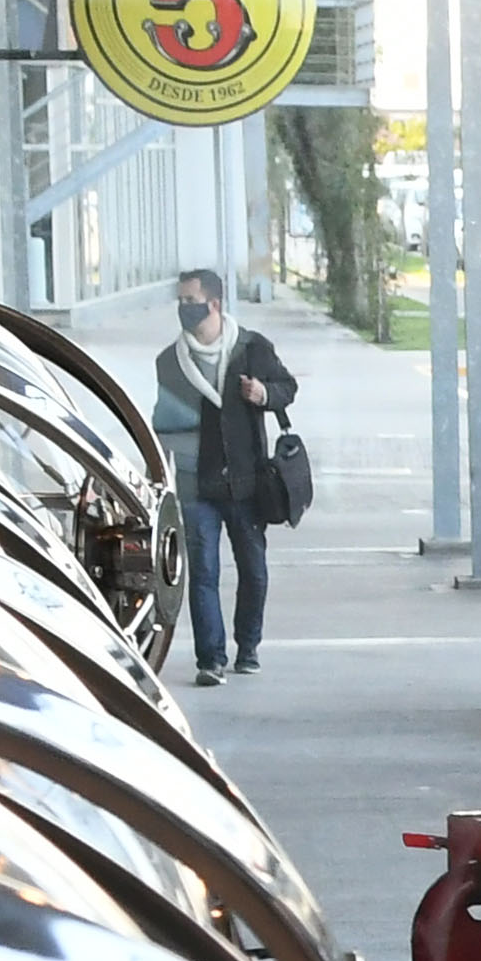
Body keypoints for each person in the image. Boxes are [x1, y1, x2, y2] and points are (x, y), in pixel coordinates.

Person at [147, 269, 296, 686]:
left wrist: (263, 394)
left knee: (254, 571)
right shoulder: (169, 362)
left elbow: (287, 387)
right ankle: (209, 659)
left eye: (190, 300)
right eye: (180, 301)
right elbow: (165, 423)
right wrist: (158, 473)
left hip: (247, 482)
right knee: (203, 573)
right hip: (196, 484)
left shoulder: (251, 348)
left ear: (214, 304)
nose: (183, 308)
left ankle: (248, 648)